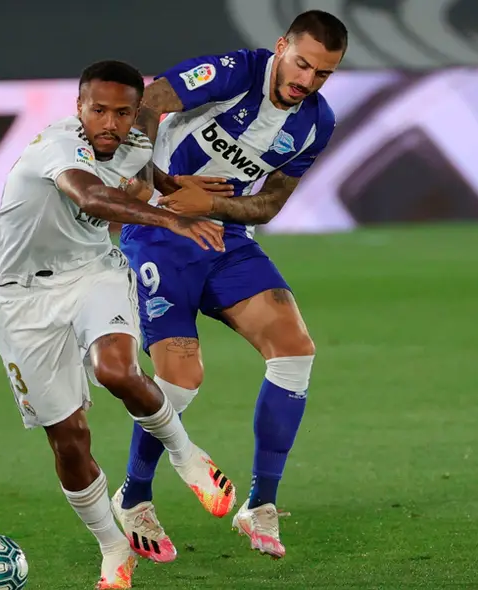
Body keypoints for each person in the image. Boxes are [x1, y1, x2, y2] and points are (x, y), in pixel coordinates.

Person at [0, 60, 237, 590]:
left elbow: (136, 175)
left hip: (92, 272)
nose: (108, 123)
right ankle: (113, 547)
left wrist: (169, 184)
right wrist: (173, 217)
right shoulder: (58, 146)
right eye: (97, 111)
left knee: (115, 369)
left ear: (136, 112)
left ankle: (188, 458)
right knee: (68, 440)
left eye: (121, 112)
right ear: (78, 108)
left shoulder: (135, 142)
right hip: (21, 298)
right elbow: (91, 195)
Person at [112, 10, 348, 561]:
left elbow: (269, 202)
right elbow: (148, 103)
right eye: (302, 64)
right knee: (183, 378)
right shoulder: (234, 72)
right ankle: (135, 497)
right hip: (160, 231)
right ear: (282, 46)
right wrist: (158, 184)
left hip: (225, 237)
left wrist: (212, 204)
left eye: (322, 75)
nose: (306, 81)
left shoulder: (317, 122)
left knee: (294, 348)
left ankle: (260, 504)